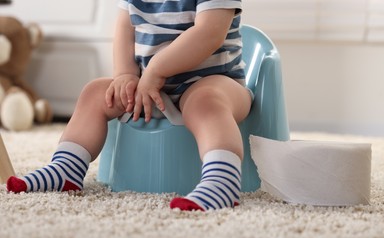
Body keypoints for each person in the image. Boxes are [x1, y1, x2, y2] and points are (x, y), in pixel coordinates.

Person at [6, 0, 252, 211]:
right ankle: (66, 168)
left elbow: (209, 33)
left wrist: (156, 69)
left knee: (205, 103)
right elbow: (125, 30)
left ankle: (222, 180)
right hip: (149, 85)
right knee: (95, 93)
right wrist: (125, 74)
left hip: (214, 82)